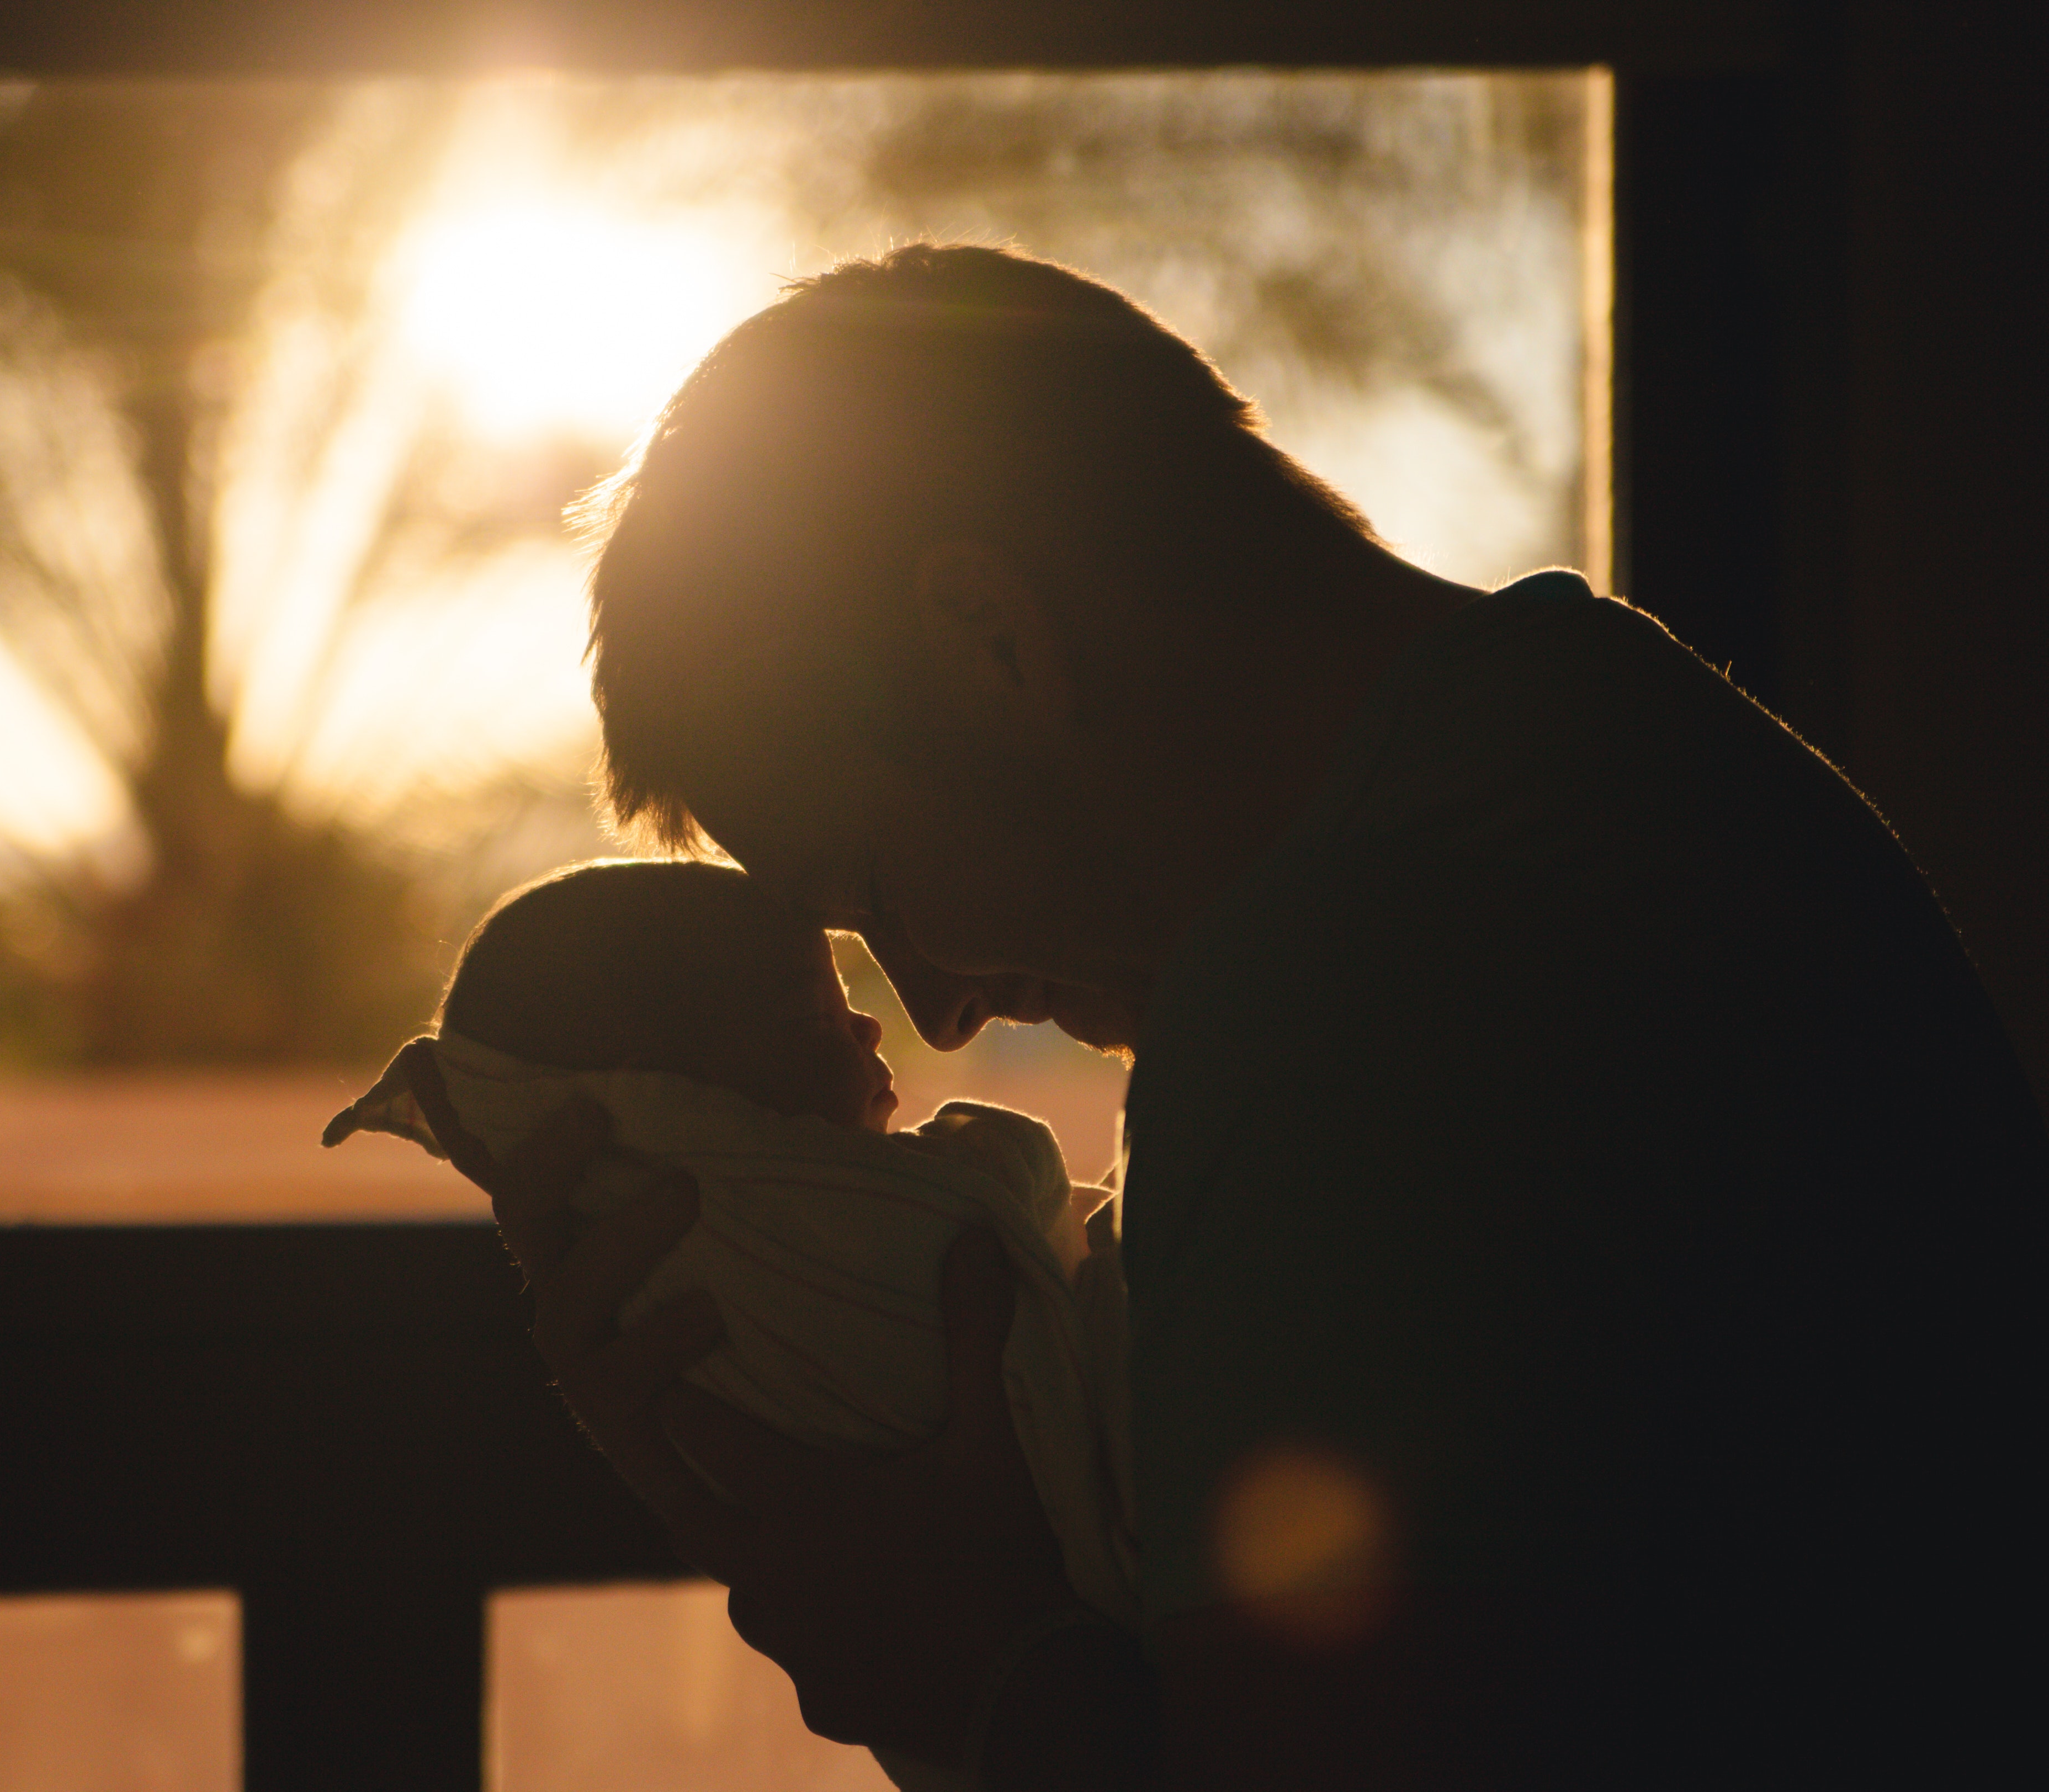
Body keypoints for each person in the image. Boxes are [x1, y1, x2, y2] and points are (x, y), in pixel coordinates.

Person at [464, 244, 2047, 1788]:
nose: (936, 1013)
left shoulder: (1350, 982)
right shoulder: (1621, 750)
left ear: (986, 639)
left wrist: (956, 1654)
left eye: (874, 882)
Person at [323, 859, 1138, 1792]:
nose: (897, 1016)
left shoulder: (678, 1283)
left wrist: (1019, 1684)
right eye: (810, 1017)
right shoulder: (801, 1240)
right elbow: (1010, 1217)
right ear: (676, 1114)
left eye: (891, 879)